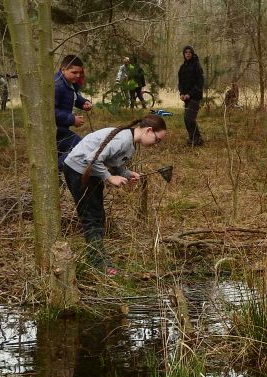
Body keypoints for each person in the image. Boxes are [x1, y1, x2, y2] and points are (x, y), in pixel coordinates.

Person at [63, 114, 167, 275]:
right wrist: (109, 177)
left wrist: (126, 173)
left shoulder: (130, 142)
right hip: (78, 170)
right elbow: (93, 159)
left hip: (89, 172)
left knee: (97, 215)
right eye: (157, 140)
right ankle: (98, 262)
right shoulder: (123, 140)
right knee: (91, 217)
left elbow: (111, 162)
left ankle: (97, 256)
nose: (156, 145)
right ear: (148, 130)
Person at [54, 54, 92, 165]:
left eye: (80, 72)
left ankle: (57, 177)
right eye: (74, 72)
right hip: (56, 130)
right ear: (63, 69)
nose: (78, 75)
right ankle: (56, 170)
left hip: (62, 129)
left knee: (64, 153)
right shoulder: (57, 86)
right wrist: (72, 119)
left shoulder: (69, 83)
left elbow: (73, 97)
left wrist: (84, 103)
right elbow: (51, 111)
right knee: (81, 147)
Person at [177, 45, 205, 146]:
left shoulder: (197, 66)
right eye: (186, 52)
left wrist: (190, 94)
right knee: (186, 119)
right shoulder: (182, 67)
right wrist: (182, 94)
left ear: (192, 53)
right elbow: (180, 83)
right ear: (184, 54)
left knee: (189, 117)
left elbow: (200, 83)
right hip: (186, 98)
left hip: (195, 96)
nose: (188, 54)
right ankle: (192, 138)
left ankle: (198, 139)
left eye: (189, 52)